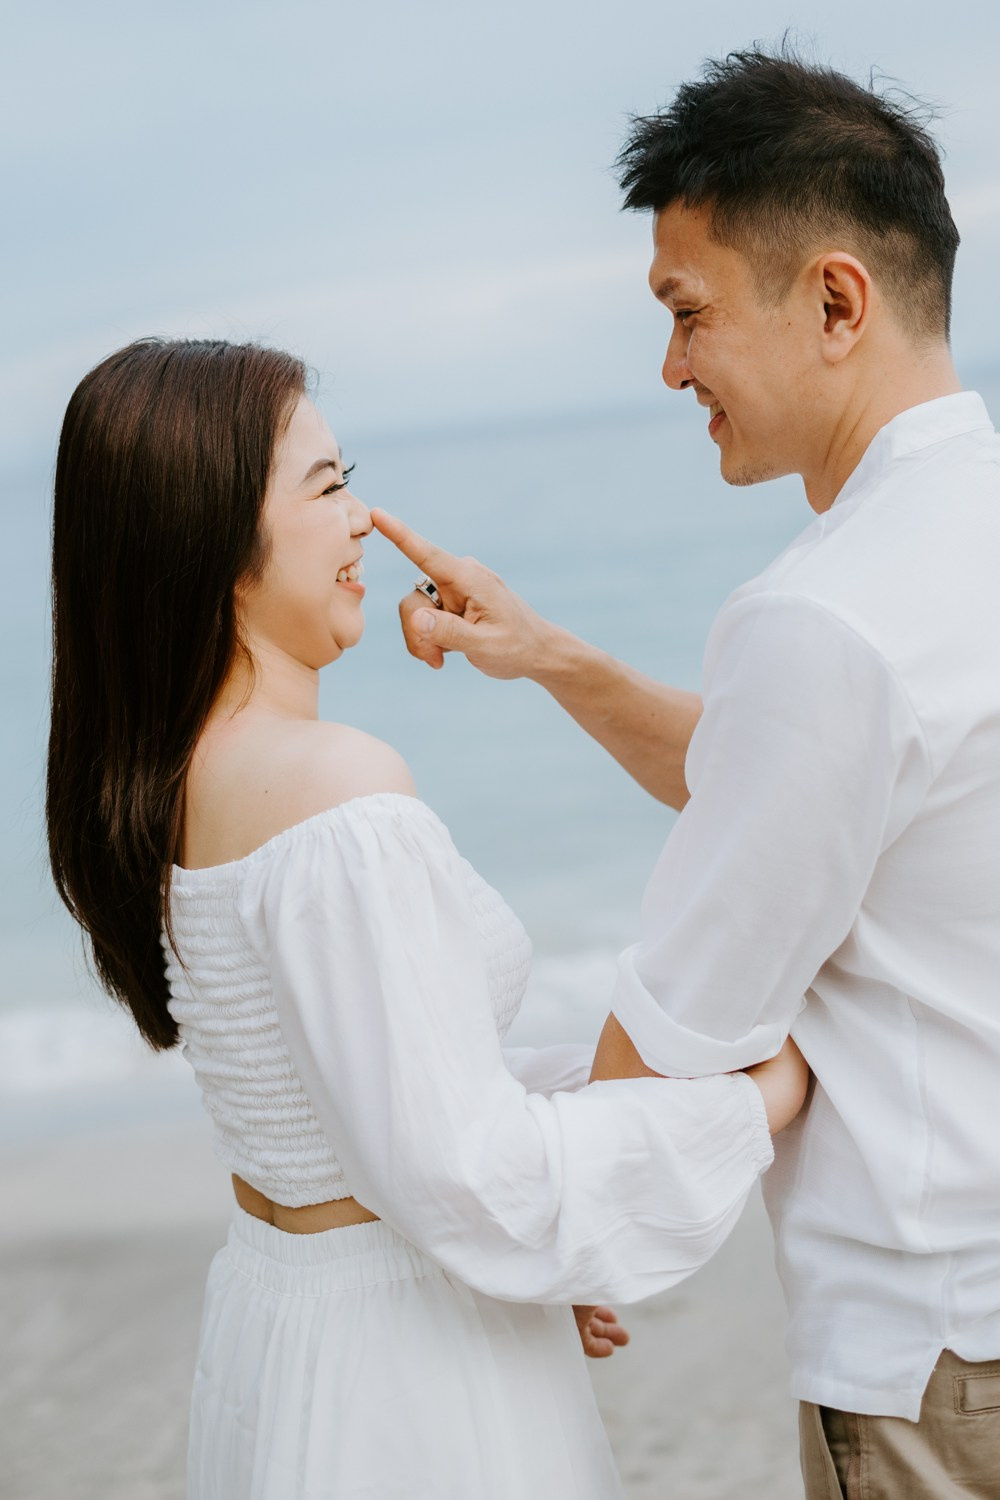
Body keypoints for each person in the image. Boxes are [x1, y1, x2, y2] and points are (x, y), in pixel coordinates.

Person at [373, 47, 1000, 1500]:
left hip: (933, 1356)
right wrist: (553, 657)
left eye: (687, 313)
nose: (670, 369)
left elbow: (676, 1030)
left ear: (835, 300)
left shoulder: (827, 616)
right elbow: (811, 797)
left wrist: (579, 1224)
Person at [46, 336, 805, 1499]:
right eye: (327, 485)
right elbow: (467, 1174)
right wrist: (750, 1099)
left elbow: (386, 1102)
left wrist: (539, 1233)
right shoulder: (334, 787)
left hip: (286, 1314)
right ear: (214, 543)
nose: (363, 521)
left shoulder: (172, 786)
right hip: (405, 1363)